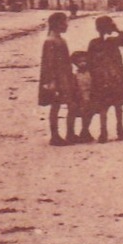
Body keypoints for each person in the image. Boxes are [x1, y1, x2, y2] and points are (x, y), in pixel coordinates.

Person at [88, 16, 123, 141]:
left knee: (103, 107)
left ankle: (104, 132)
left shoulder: (94, 43)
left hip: (101, 79)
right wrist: (117, 30)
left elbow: (90, 61)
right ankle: (120, 129)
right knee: (118, 105)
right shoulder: (113, 41)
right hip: (116, 78)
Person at [38, 12, 78, 146]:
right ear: (57, 24)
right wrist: (51, 82)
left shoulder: (61, 40)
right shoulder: (50, 41)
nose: (66, 25)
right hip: (57, 79)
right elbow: (49, 64)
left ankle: (70, 133)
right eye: (64, 23)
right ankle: (55, 136)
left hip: (65, 77)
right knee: (56, 106)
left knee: (71, 105)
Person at [69, 51, 97, 142]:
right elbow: (74, 90)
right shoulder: (75, 75)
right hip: (79, 99)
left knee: (90, 109)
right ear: (76, 64)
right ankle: (72, 133)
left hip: (90, 98)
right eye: (79, 62)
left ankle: (84, 130)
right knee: (77, 109)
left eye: (84, 61)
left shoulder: (91, 74)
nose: (82, 63)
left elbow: (94, 87)